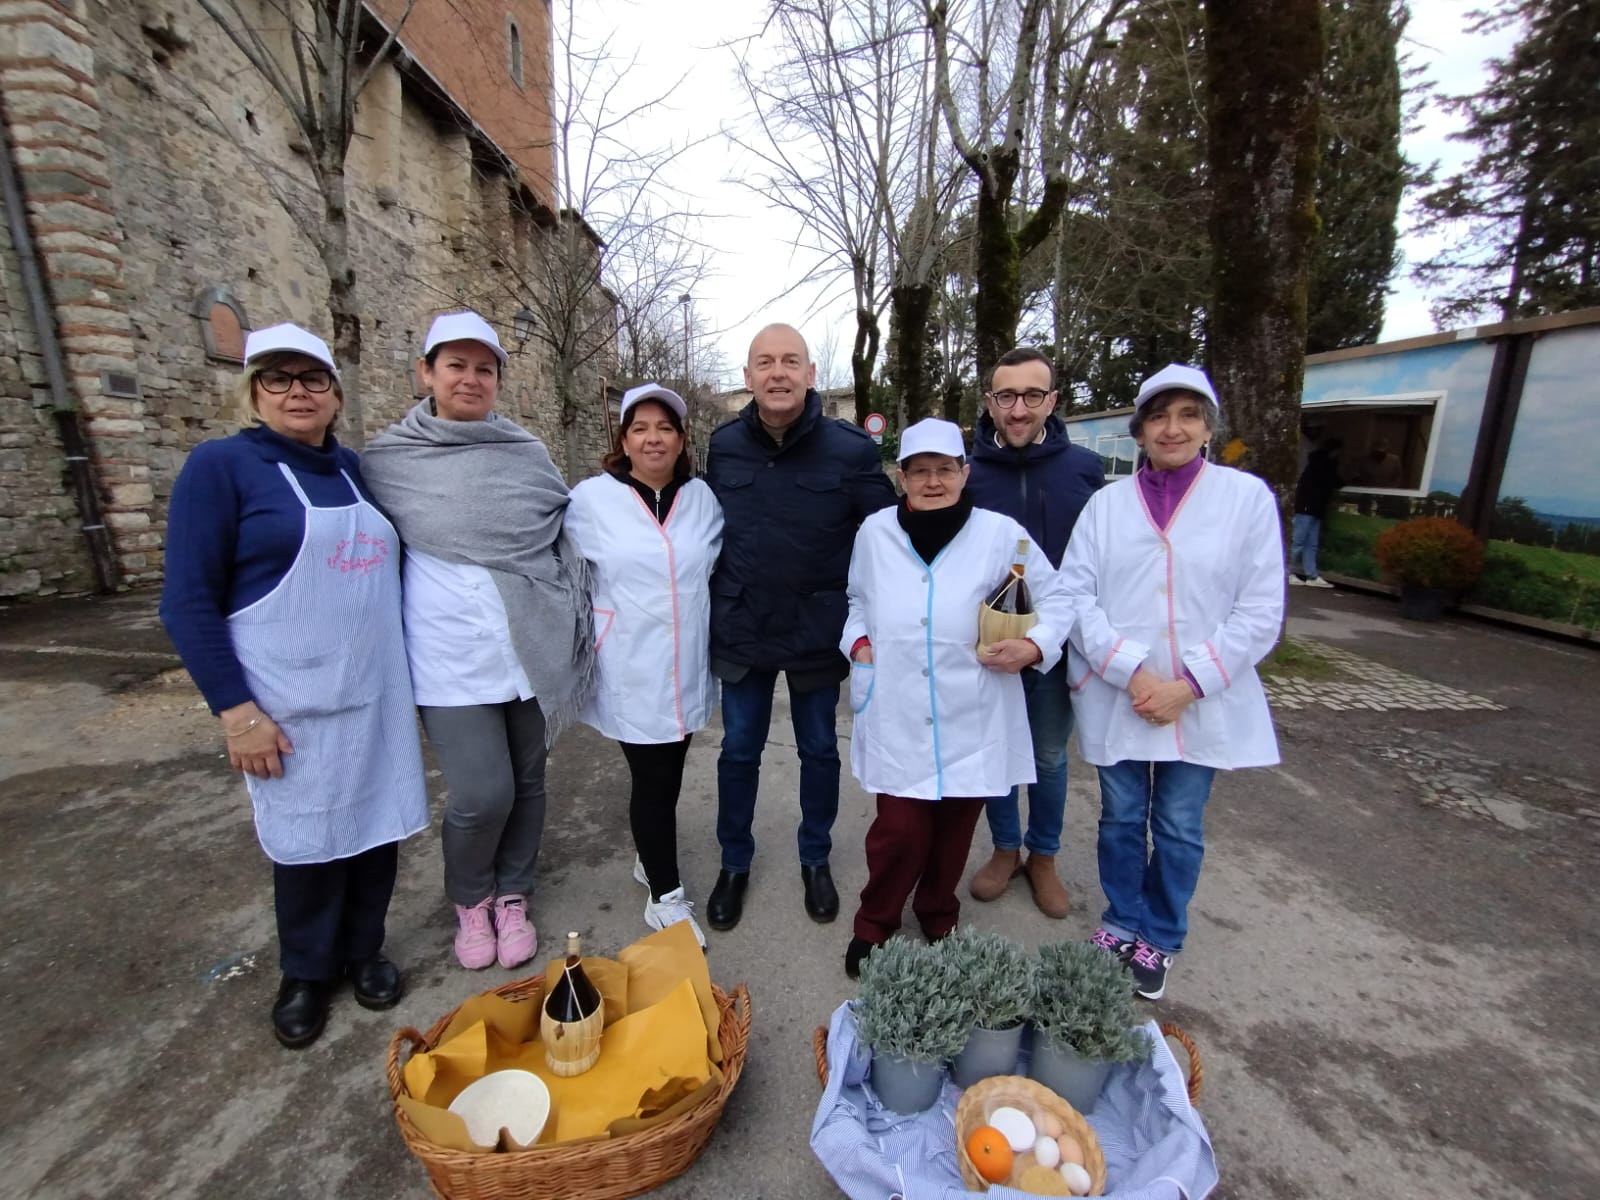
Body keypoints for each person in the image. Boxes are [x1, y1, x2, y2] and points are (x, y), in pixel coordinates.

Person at [160, 323, 428, 1049]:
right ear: (253, 392)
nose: (297, 392)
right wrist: (236, 711)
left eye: (312, 379)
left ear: (336, 394)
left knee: (373, 825)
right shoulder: (221, 468)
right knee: (308, 837)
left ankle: (364, 950)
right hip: (284, 702)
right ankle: (306, 972)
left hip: (372, 691)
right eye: (278, 379)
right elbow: (187, 600)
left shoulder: (355, 470)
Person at [361, 311, 595, 972]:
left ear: (498, 380)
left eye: (484, 368)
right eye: (456, 365)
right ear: (426, 373)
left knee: (528, 781)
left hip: (527, 649)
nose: (470, 378)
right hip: (445, 660)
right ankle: (472, 899)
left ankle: (513, 894)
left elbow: (562, 526)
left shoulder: (525, 453)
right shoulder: (387, 462)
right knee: (480, 794)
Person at [1060, 364, 1283, 1002]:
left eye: (1188, 414)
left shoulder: (1245, 500)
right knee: (1122, 817)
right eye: (1159, 416)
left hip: (1200, 698)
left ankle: (1160, 933)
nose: (1173, 428)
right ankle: (1121, 919)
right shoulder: (1106, 505)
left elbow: (1261, 609)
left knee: (1181, 823)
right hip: (1122, 692)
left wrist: (1189, 683)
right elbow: (1076, 596)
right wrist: (1131, 672)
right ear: (1140, 431)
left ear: (1208, 427)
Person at [839, 419, 1073, 978]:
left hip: (975, 706)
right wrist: (860, 643)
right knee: (899, 829)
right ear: (902, 478)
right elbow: (856, 599)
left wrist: (1034, 648)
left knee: (956, 824)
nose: (934, 481)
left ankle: (938, 912)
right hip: (896, 702)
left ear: (965, 473)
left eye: (945, 469)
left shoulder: (1001, 533)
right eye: (920, 471)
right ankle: (875, 923)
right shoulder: (875, 531)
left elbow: (1059, 597)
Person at [702, 323, 897, 931]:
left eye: (791, 361)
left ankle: (816, 857)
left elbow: (887, 534)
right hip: (745, 626)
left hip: (818, 629)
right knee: (738, 752)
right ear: (748, 378)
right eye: (765, 362)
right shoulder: (724, 444)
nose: (778, 372)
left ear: (811, 374)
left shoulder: (850, 451)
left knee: (818, 751)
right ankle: (735, 862)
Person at [565, 383, 724, 948]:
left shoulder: (703, 498)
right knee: (654, 780)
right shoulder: (590, 500)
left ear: (682, 441)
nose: (653, 438)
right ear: (624, 441)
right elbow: (556, 571)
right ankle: (666, 897)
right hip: (628, 664)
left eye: (665, 428)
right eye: (640, 428)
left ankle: (647, 857)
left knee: (668, 774)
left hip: (685, 665)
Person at [963, 346, 1105, 918]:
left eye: (1031, 395)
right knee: (998, 750)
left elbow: (1096, 564)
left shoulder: (1083, 470)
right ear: (990, 403)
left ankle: (1042, 856)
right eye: (1005, 396)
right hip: (992, 642)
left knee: (1047, 755)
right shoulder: (969, 472)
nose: (1018, 409)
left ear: (1051, 400)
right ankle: (1004, 849)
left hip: (1055, 644)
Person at [1290, 438, 1344, 588]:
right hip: (1309, 507)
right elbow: (1333, 481)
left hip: (1311, 508)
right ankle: (1289, 572)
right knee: (1299, 541)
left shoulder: (1315, 464)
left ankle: (1310, 574)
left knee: (1308, 543)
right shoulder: (1323, 466)